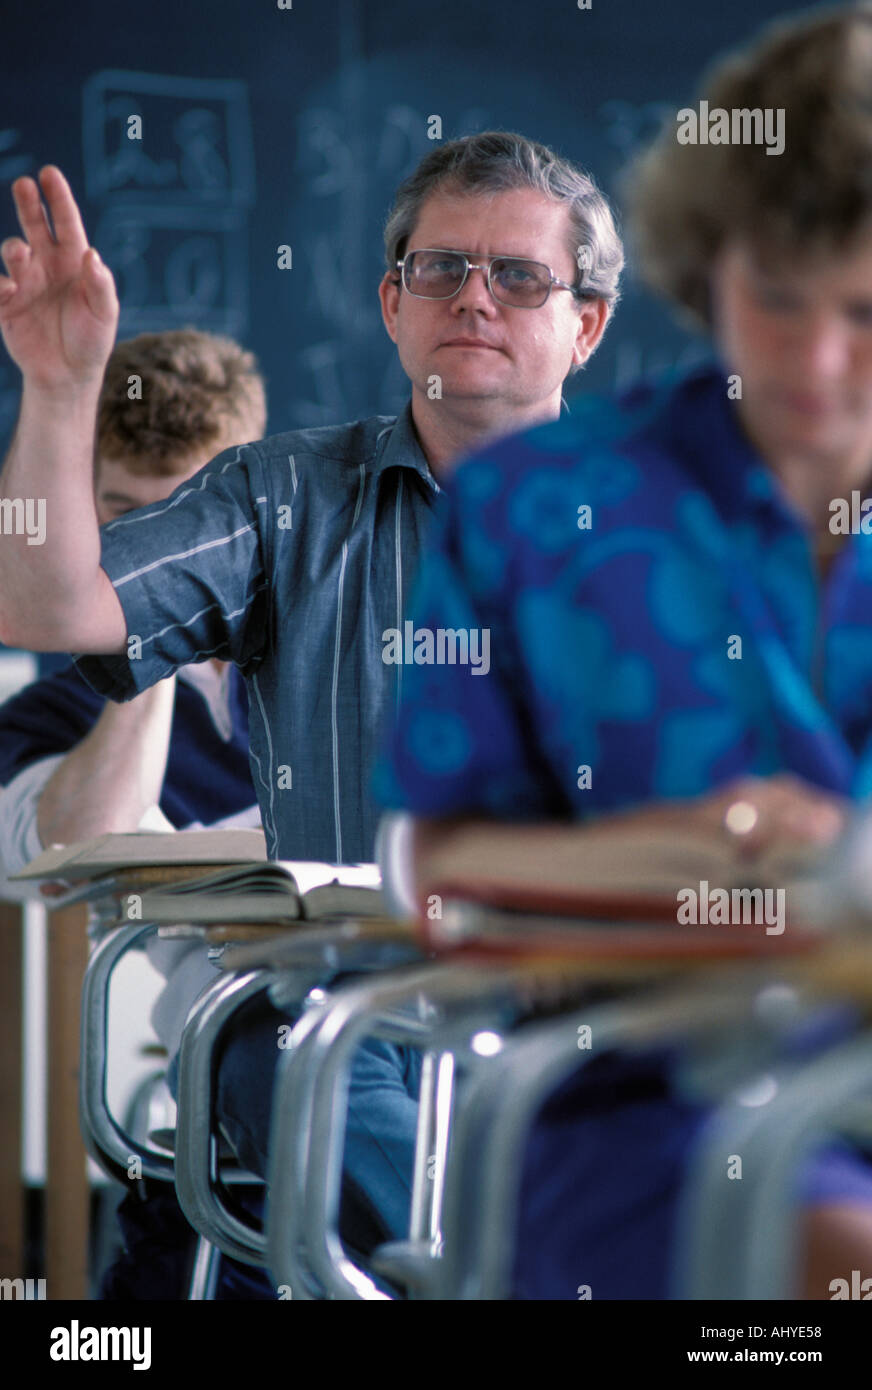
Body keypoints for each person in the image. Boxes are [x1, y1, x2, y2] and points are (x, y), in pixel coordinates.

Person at [0, 132, 622, 1280]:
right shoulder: (286, 496)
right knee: (267, 1044)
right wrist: (57, 386)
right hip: (344, 1007)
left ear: (583, 323)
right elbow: (48, 602)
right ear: (391, 304)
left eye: (518, 275)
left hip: (595, 1008)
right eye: (440, 269)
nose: (472, 298)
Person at [376, 5, 872, 1298]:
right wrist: (711, 857)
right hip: (662, 1091)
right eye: (775, 296)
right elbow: (433, 877)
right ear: (708, 266)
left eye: (869, 311)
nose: (817, 362)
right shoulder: (539, 506)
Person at [0, 326, 267, 1298]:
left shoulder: (344, 651)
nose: (152, 547)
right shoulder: (54, 714)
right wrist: (149, 636)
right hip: (236, 1082)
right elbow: (73, 841)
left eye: (185, 517)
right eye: (120, 515)